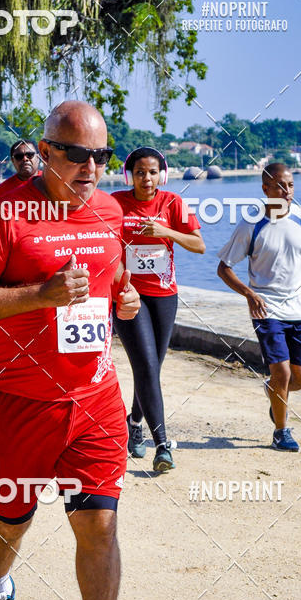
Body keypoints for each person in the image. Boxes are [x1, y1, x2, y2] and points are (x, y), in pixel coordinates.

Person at [0, 100, 149, 600]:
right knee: (13, 518)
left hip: (95, 397)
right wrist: (41, 294)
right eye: (78, 154)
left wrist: (126, 298)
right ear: (46, 152)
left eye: (102, 156)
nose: (92, 168)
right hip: (19, 397)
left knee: (98, 522)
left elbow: (114, 281)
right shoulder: (6, 209)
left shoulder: (111, 210)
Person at [217, 162, 301, 452]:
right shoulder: (251, 225)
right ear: (265, 189)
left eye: (290, 185)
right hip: (267, 310)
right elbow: (224, 268)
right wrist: (249, 294)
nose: (287, 191)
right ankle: (281, 431)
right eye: (280, 185)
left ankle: (274, 393)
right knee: (282, 373)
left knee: (300, 379)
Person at [112, 147, 204, 472]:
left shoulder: (172, 203)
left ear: (160, 174)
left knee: (152, 368)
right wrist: (120, 281)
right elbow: (106, 246)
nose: (146, 178)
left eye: (152, 172)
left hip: (165, 296)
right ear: (130, 175)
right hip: (129, 296)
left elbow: (199, 245)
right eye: (139, 172)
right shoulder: (116, 203)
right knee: (147, 367)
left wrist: (167, 232)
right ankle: (162, 446)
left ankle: (134, 421)